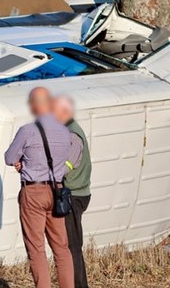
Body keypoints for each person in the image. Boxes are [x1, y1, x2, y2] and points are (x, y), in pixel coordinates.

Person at [4, 87, 82, 288]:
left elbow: (9, 158)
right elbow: (68, 160)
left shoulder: (27, 131)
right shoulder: (65, 132)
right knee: (62, 248)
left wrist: (23, 162)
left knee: (36, 249)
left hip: (33, 192)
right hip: (57, 192)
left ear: (35, 105)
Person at [53, 96, 92, 288]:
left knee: (72, 246)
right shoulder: (69, 131)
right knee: (70, 245)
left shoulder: (73, 135)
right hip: (76, 194)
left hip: (74, 196)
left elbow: (66, 165)